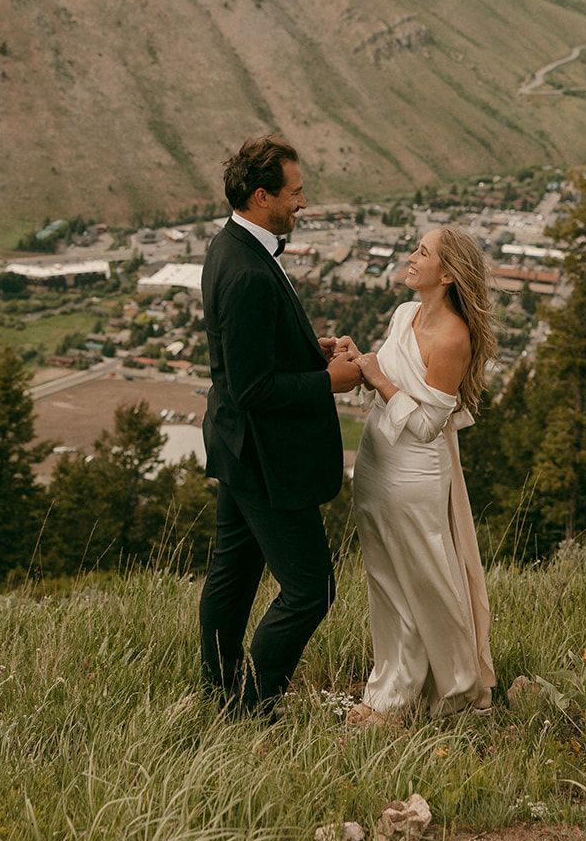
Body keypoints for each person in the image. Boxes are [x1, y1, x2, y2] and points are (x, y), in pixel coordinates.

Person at [198, 133, 361, 717]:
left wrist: (308, 351)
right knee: (310, 589)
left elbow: (253, 358)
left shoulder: (231, 247)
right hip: (264, 458)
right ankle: (253, 703)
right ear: (262, 195)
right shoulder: (245, 272)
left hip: (236, 446)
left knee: (233, 574)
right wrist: (329, 382)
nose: (303, 204)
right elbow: (252, 389)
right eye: (295, 193)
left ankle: (219, 690)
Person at [342, 225, 496, 720]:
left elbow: (430, 423)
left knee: (426, 585)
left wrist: (377, 376)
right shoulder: (404, 314)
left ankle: (447, 690)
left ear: (447, 274)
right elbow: (384, 383)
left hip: (413, 478)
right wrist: (355, 360)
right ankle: (391, 689)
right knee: (386, 586)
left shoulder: (453, 337)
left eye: (422, 253)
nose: (411, 257)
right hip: (374, 466)